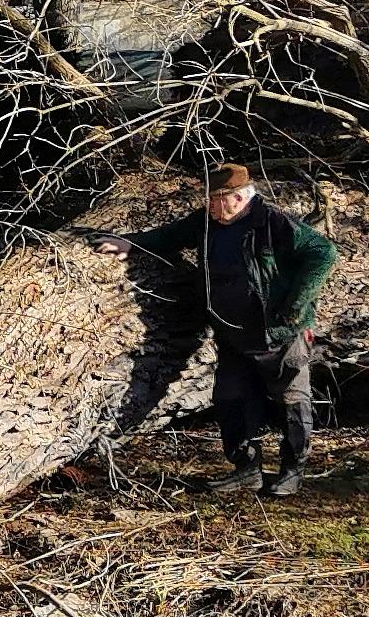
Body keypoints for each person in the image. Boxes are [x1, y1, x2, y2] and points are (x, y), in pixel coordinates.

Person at [97, 163, 340, 496]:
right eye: (209, 199)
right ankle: (246, 470)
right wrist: (130, 244)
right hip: (231, 334)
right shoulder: (207, 222)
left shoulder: (272, 222)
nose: (210, 205)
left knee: (291, 403)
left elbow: (323, 252)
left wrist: (297, 305)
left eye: (216, 199)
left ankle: (292, 472)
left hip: (279, 334)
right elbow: (169, 236)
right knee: (231, 400)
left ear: (238, 198)